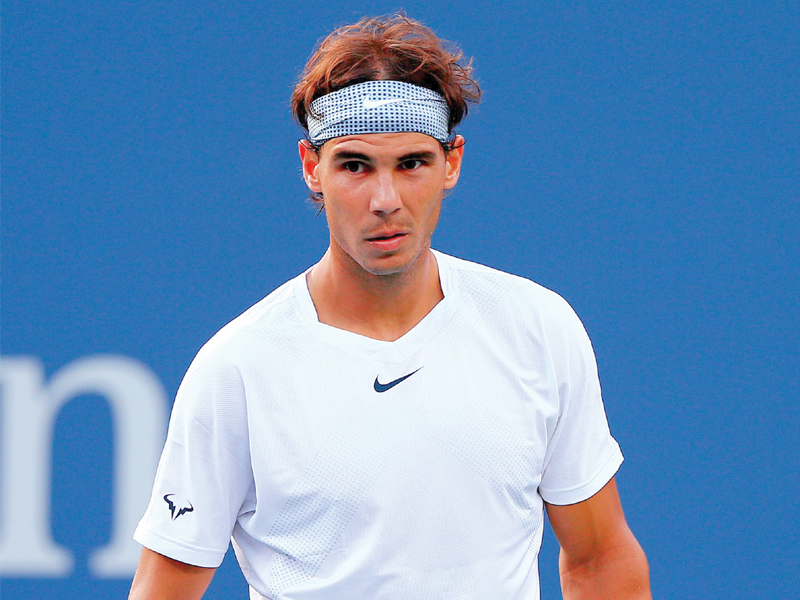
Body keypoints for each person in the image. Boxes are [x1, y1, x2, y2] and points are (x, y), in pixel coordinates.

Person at [129, 14, 650, 600]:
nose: (385, 200)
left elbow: (601, 559)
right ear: (311, 167)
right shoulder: (237, 368)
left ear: (451, 162)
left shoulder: (538, 328)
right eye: (355, 165)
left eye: (412, 164)